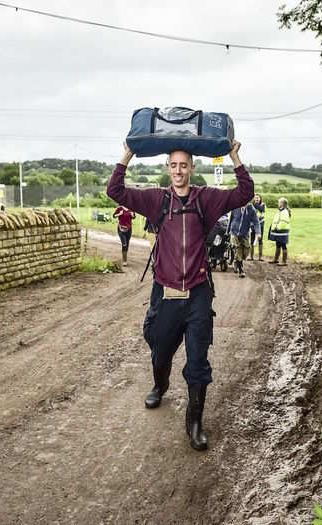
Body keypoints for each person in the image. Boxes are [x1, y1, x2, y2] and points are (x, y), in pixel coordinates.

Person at [107, 140, 253, 451]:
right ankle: (160, 384)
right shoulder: (157, 200)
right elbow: (115, 192)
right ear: (167, 169)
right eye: (173, 165)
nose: (178, 170)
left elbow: (244, 194)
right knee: (160, 350)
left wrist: (234, 156)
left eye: (183, 165)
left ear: (192, 168)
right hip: (167, 292)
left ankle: (195, 421)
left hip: (198, 293)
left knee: (198, 360)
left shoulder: (206, 199)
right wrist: (128, 154)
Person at [228, 203, 260, 278]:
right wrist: (228, 231)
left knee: (246, 250)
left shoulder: (251, 209)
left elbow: (256, 221)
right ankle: (241, 270)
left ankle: (237, 261)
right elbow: (231, 219)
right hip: (234, 232)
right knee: (238, 249)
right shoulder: (235, 206)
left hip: (244, 233)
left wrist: (258, 232)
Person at [268, 197, 291, 266]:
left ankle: (284, 261)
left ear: (282, 203)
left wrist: (277, 227)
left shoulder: (285, 211)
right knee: (278, 244)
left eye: (279, 202)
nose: (278, 203)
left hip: (282, 231)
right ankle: (276, 259)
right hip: (278, 232)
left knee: (283, 245)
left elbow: (284, 221)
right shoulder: (280, 210)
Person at [249, 194, 266, 261]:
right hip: (252, 225)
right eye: (255, 198)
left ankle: (260, 256)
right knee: (252, 239)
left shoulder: (263, 205)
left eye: (258, 198)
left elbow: (261, 210)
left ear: (260, 198)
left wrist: (256, 205)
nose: (256, 199)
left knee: (260, 240)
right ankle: (251, 256)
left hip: (261, 224)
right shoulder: (251, 205)